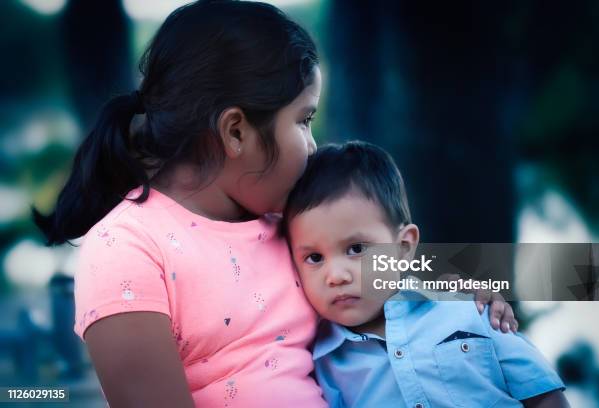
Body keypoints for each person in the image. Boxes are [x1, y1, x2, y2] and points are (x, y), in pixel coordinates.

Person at [33, 1, 517, 406]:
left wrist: (474, 288)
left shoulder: (291, 222)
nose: (312, 144)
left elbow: (417, 266)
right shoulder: (127, 247)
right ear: (236, 131)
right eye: (304, 120)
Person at [284, 141, 569, 408]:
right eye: (314, 258)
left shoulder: (469, 307)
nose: (335, 276)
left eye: (356, 248)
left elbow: (544, 396)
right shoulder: (323, 366)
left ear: (404, 246)